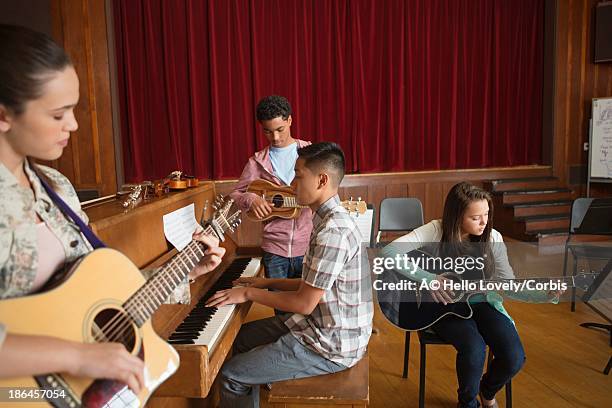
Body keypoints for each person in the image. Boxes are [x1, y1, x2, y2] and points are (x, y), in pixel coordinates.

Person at [0, 24, 225, 395]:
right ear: (5, 115)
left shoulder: (57, 189)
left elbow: (98, 304)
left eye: (73, 109)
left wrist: (186, 270)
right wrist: (74, 356)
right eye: (58, 115)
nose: (73, 125)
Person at [208, 142, 373, 408]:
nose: (292, 184)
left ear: (321, 180)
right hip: (320, 325)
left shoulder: (333, 232)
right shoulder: (327, 221)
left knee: (230, 375)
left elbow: (304, 303)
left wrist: (249, 292)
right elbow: (315, 285)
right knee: (237, 341)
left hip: (332, 344)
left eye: (298, 175)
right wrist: (268, 282)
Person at [382, 182, 563, 408]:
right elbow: (388, 252)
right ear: (457, 217)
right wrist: (429, 279)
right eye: (476, 217)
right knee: (474, 349)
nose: (484, 222)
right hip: (445, 307)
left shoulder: (493, 238)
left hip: (484, 303)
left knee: (513, 357)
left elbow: (508, 284)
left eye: (487, 214)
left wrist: (543, 295)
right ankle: (467, 404)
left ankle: (487, 392)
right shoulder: (436, 230)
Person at [229, 96, 312, 299]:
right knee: (280, 308)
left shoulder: (311, 153)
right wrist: (251, 199)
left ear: (290, 121)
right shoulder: (257, 162)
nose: (274, 137)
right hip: (274, 250)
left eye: (280, 129)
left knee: (309, 308)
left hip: (309, 246)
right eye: (267, 131)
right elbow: (235, 194)